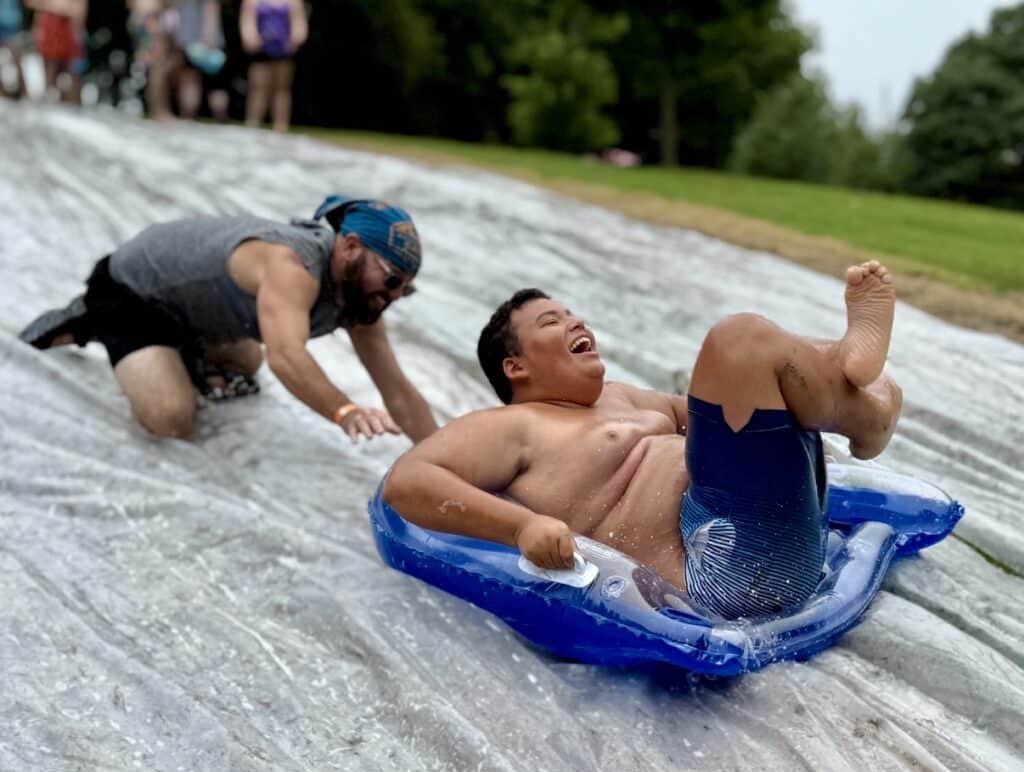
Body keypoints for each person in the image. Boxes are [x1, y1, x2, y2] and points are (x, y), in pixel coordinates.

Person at [383, 262, 902, 621]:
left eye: (571, 314)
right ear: (515, 367)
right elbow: (409, 482)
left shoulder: (622, 397)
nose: (575, 321)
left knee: (753, 361)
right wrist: (522, 527)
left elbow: (714, 413)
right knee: (739, 341)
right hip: (719, 569)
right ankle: (867, 411)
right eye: (551, 321)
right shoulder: (512, 425)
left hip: (787, 526)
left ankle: (848, 371)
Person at [18, 196, 439, 445]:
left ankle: (183, 352)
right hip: (133, 295)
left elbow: (396, 389)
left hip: (195, 314)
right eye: (392, 278)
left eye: (405, 288)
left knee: (246, 361)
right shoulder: (292, 265)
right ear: (349, 247)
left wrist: (446, 461)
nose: (395, 295)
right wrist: (344, 411)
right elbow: (287, 358)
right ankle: (88, 320)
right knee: (171, 417)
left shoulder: (362, 294)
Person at [240, 0, 306, 132]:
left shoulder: (293, 2)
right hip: (261, 50)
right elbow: (247, 22)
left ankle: (281, 126)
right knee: (258, 88)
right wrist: (250, 38)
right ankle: (253, 123)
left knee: (282, 89)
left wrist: (295, 39)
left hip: (283, 50)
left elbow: (299, 24)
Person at [27, 0, 88, 104]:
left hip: (69, 27)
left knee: (73, 72)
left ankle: (72, 106)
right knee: (50, 66)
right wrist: (58, 7)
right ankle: (50, 100)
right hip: (50, 25)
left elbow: (79, 10)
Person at [0, 0, 27, 99]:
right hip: (10, 21)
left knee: (17, 59)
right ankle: (2, 91)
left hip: (12, 23)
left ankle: (23, 91)